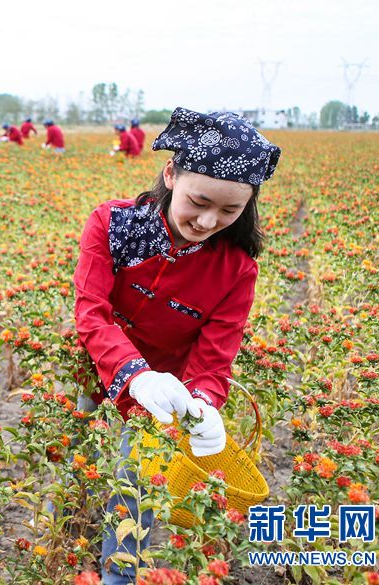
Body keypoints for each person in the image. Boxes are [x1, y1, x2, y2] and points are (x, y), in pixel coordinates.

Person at [73, 107, 281, 585]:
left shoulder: (235, 269)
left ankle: (117, 577)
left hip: (167, 392)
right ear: (171, 173)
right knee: (79, 446)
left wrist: (203, 403)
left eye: (230, 211)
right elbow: (92, 312)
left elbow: (215, 356)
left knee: (135, 483)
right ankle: (72, 519)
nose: (208, 220)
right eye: (199, 201)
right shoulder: (113, 225)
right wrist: (133, 373)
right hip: (101, 360)